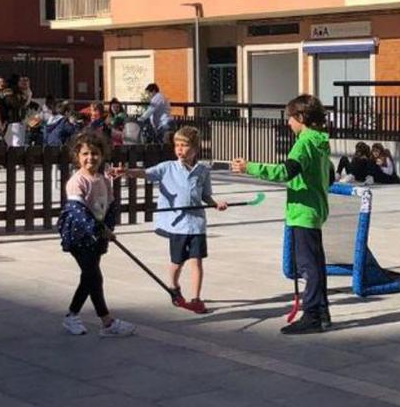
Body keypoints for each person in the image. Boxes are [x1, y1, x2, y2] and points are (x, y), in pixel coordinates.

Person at [233, 94, 334, 335]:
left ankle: (311, 315)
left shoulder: (304, 142)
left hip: (302, 213)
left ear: (301, 117)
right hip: (316, 209)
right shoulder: (322, 142)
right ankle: (322, 312)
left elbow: (285, 172)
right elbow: (329, 174)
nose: (288, 123)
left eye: (290, 117)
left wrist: (250, 167)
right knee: (317, 264)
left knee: (309, 267)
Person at [114, 126, 227, 314]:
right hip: (178, 225)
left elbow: (206, 195)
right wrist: (126, 172)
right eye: (177, 145)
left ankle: (197, 299)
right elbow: (145, 173)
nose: (180, 149)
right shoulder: (167, 168)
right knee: (177, 262)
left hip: (197, 224)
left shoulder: (202, 171)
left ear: (195, 149)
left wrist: (216, 204)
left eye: (184, 145)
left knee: (197, 261)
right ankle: (174, 286)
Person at [57, 131, 135, 337]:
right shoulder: (77, 181)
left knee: (88, 277)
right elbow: (78, 211)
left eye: (94, 153)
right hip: (79, 235)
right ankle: (107, 322)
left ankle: (72, 316)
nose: (90, 158)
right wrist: (100, 229)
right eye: (85, 154)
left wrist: (108, 227)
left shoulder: (103, 179)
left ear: (102, 155)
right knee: (93, 276)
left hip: (98, 236)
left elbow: (111, 206)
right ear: (77, 156)